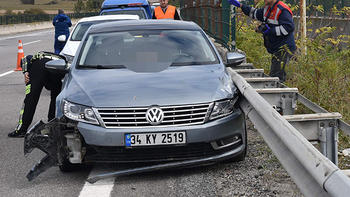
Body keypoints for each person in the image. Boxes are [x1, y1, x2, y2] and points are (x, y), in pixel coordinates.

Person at [228, 0, 296, 82]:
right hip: (277, 48)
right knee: (277, 75)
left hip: (284, 49)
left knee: (276, 78)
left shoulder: (282, 9)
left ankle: (275, 93)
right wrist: (241, 6)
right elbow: (254, 13)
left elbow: (288, 28)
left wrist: (269, 31)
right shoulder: (267, 8)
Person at [8, 52, 64, 138]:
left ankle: (21, 130)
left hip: (40, 64)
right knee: (56, 99)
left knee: (30, 99)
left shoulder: (32, 60)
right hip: (59, 66)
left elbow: (24, 58)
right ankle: (52, 126)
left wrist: (25, 72)